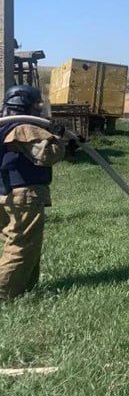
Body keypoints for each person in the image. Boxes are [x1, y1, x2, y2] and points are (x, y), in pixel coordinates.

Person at [0, 85, 68, 301]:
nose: (39, 110)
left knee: (27, 244)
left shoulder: (5, 126)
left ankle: (24, 289)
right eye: (36, 106)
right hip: (23, 196)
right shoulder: (24, 128)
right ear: (26, 106)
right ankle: (4, 294)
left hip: (6, 193)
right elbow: (47, 155)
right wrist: (57, 136)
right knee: (20, 246)